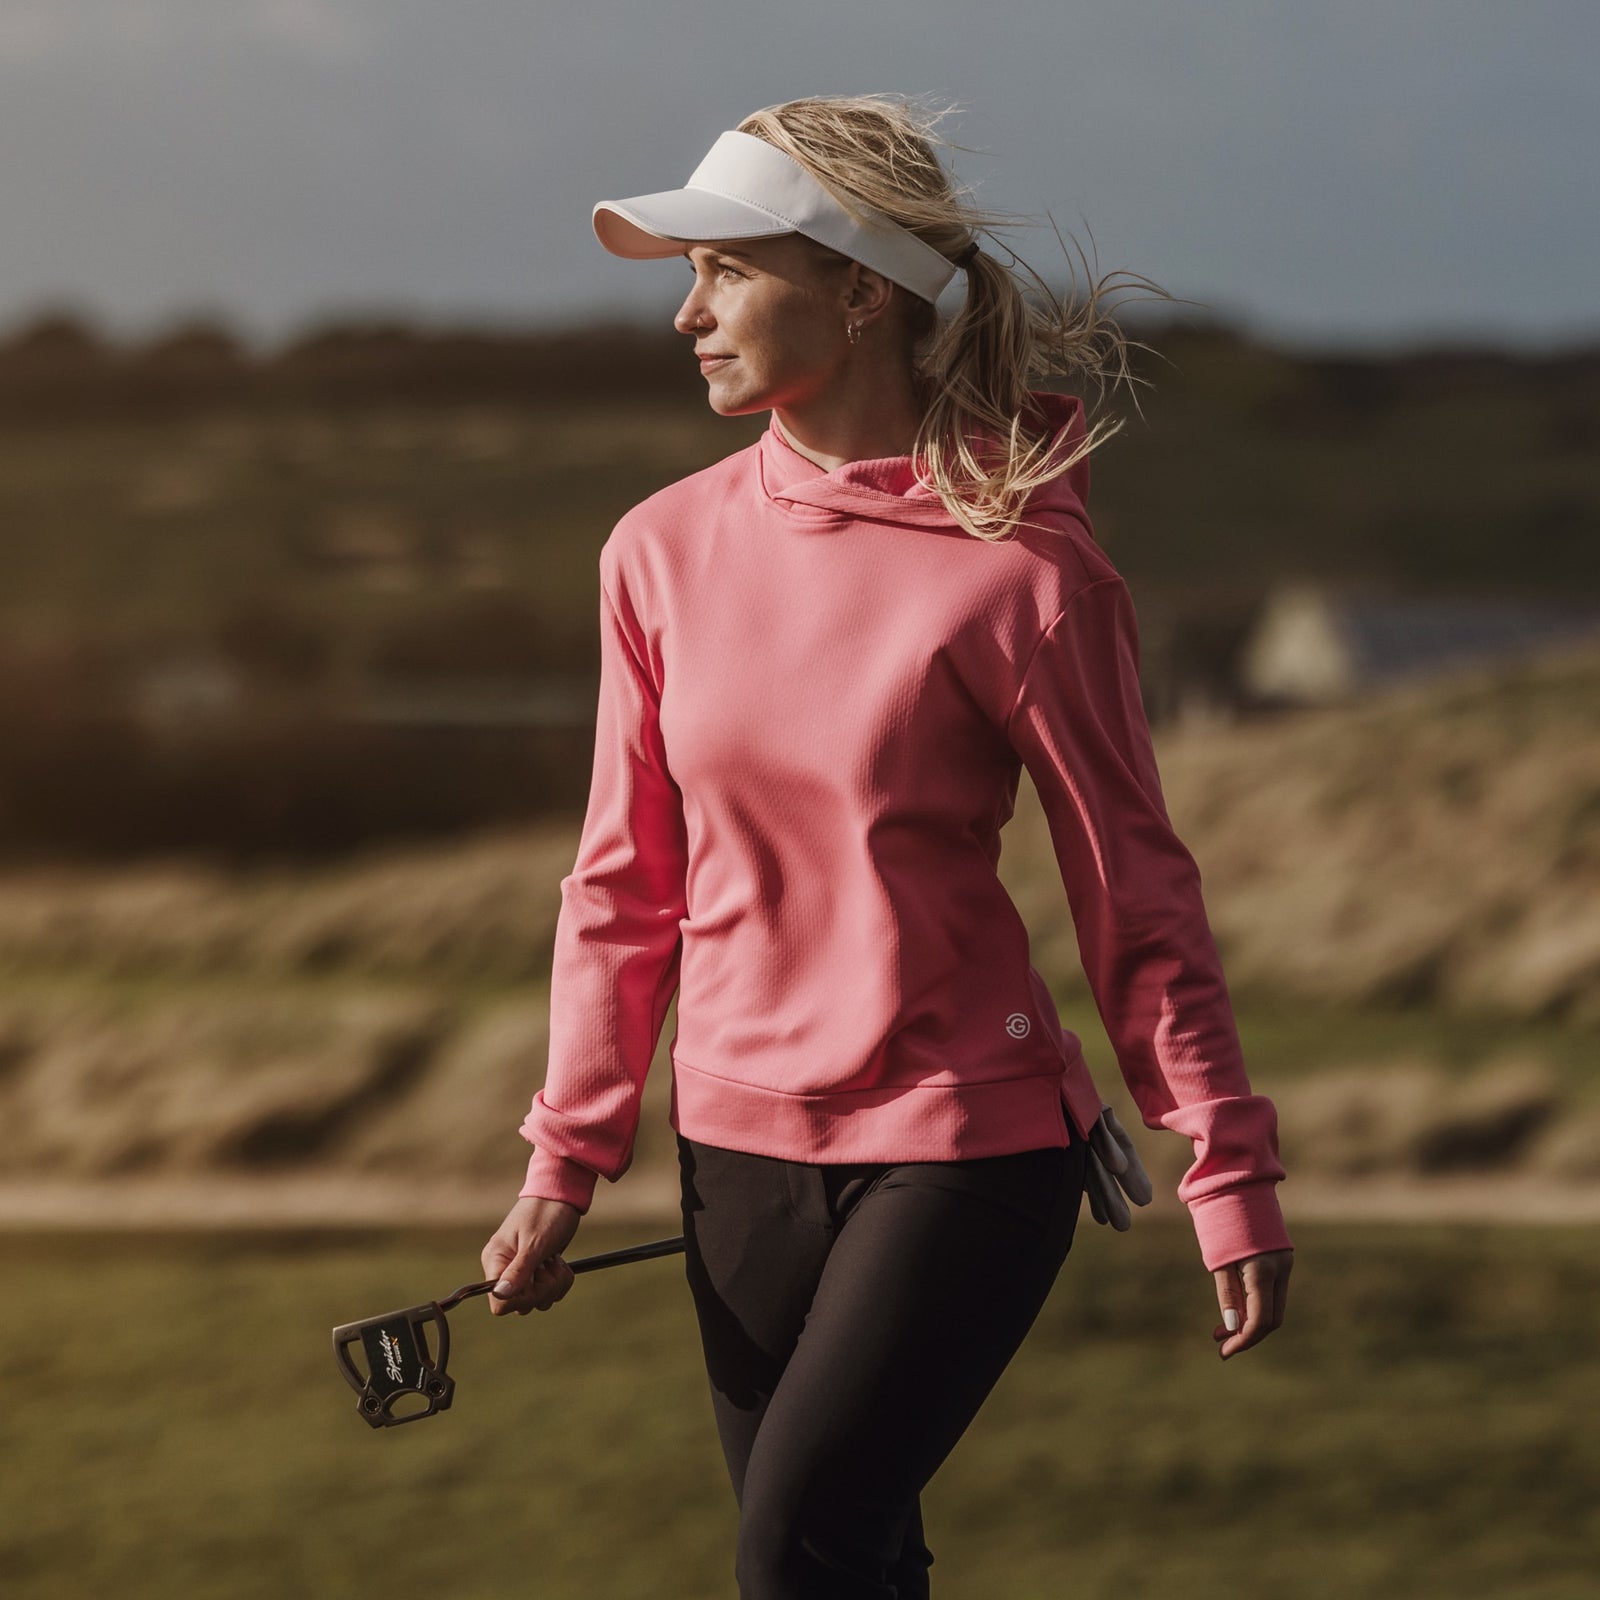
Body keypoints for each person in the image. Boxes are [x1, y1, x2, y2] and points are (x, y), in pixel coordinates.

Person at [482, 94, 1293, 1599]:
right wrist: (565, 1158)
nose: (687, 315)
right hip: (736, 1153)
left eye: (725, 270)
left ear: (861, 290)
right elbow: (620, 885)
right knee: (840, 1566)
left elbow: (1136, 888)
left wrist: (1223, 1160)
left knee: (801, 1544)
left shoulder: (1026, 572)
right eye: (687, 274)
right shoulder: (655, 550)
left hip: (963, 1142)